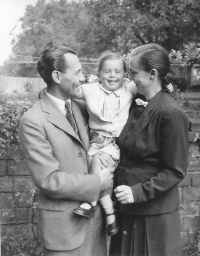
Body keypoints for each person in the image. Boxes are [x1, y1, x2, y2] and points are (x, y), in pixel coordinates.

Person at [19, 45, 116, 256]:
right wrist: (97, 183)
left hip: (94, 227)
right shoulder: (33, 121)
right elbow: (49, 180)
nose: (83, 77)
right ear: (56, 75)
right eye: (78, 72)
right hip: (63, 232)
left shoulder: (81, 107)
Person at [109, 43, 189, 256]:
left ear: (152, 74)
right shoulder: (134, 105)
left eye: (134, 73)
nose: (130, 79)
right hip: (126, 211)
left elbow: (176, 170)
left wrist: (137, 192)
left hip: (154, 216)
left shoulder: (171, 114)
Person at [73, 52, 137, 235]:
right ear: (98, 74)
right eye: (107, 71)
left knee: (99, 165)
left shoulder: (129, 90)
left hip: (114, 144)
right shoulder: (90, 89)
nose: (112, 76)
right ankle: (110, 216)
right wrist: (45, 91)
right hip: (95, 141)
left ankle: (90, 203)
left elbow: (148, 83)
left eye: (118, 72)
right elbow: (71, 90)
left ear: (125, 75)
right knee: (97, 172)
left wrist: (168, 88)